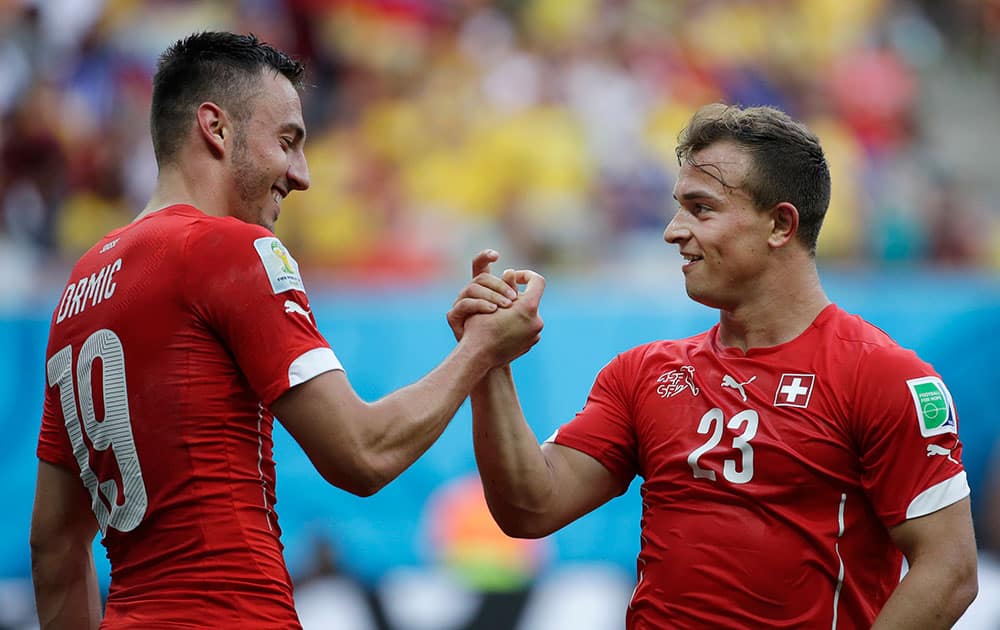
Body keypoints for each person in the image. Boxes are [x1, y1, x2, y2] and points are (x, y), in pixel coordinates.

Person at [29, 31, 544, 629]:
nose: (302, 175)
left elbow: (54, 547)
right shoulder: (228, 248)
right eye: (287, 141)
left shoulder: (81, 285)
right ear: (215, 128)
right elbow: (361, 453)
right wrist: (480, 349)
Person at [448, 103, 978, 628]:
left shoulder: (881, 375)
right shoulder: (643, 374)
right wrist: (488, 359)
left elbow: (950, 569)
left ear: (780, 224)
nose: (673, 231)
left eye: (700, 210)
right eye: (678, 208)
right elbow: (530, 507)